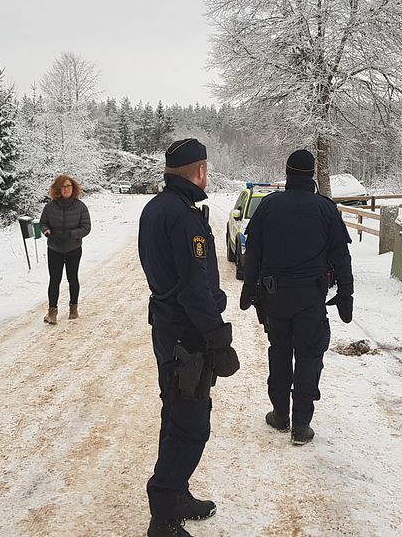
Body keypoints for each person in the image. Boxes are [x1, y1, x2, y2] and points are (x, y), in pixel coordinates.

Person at [138, 138, 240, 537]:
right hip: (187, 335)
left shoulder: (157, 207)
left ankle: (175, 493)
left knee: (176, 411)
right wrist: (219, 339)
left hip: (169, 327)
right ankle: (164, 513)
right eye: (207, 169)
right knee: (191, 423)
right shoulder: (182, 216)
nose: (208, 175)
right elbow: (194, 286)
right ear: (198, 171)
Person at [239, 149, 354, 445]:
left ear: (288, 173)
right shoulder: (326, 209)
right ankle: (301, 425)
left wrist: (249, 289)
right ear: (311, 174)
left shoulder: (268, 206)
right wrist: (345, 293)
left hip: (274, 299)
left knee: (279, 354)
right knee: (308, 357)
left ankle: (280, 414)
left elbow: (253, 253)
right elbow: (341, 255)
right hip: (310, 299)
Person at [39, 174, 91, 324]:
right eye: (63, 186)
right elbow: (43, 223)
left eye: (69, 186)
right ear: (58, 189)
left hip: (73, 247)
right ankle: (52, 312)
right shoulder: (50, 207)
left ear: (73, 188)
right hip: (54, 247)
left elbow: (86, 227)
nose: (66, 189)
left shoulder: (80, 206)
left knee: (72, 278)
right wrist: (46, 230)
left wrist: (72, 234)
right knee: (54, 280)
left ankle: (73, 309)